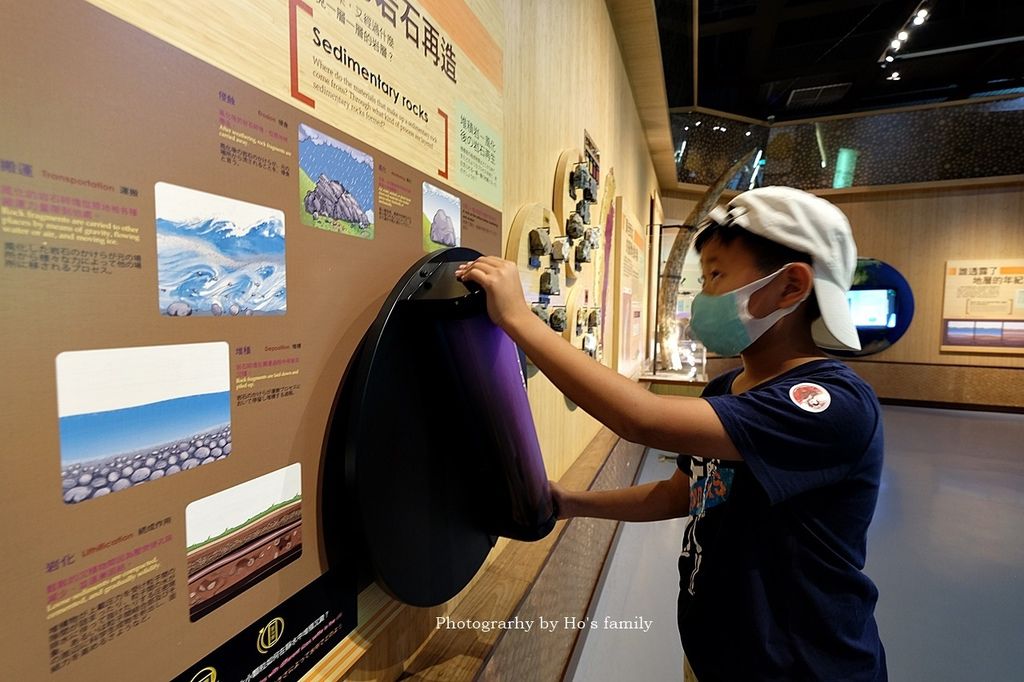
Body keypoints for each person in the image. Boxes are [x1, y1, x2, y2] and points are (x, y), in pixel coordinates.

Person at [456, 186, 887, 681]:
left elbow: (643, 420)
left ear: (790, 287)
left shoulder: (832, 403)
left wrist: (517, 317)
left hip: (803, 667)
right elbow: (686, 493)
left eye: (718, 275)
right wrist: (572, 502)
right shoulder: (729, 389)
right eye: (703, 278)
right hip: (717, 655)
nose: (704, 296)